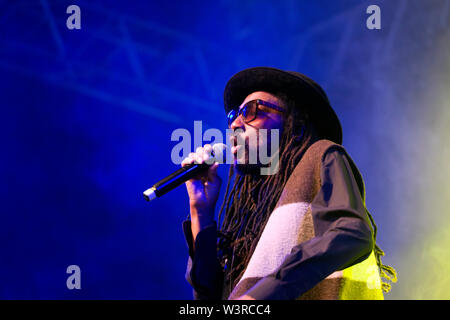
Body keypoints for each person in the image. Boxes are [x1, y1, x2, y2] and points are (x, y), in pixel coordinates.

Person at [180, 67, 397, 300]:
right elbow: (208, 298)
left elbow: (351, 233)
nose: (235, 125)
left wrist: (262, 295)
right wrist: (200, 210)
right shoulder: (252, 215)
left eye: (252, 110)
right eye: (234, 116)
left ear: (294, 122)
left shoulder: (321, 155)